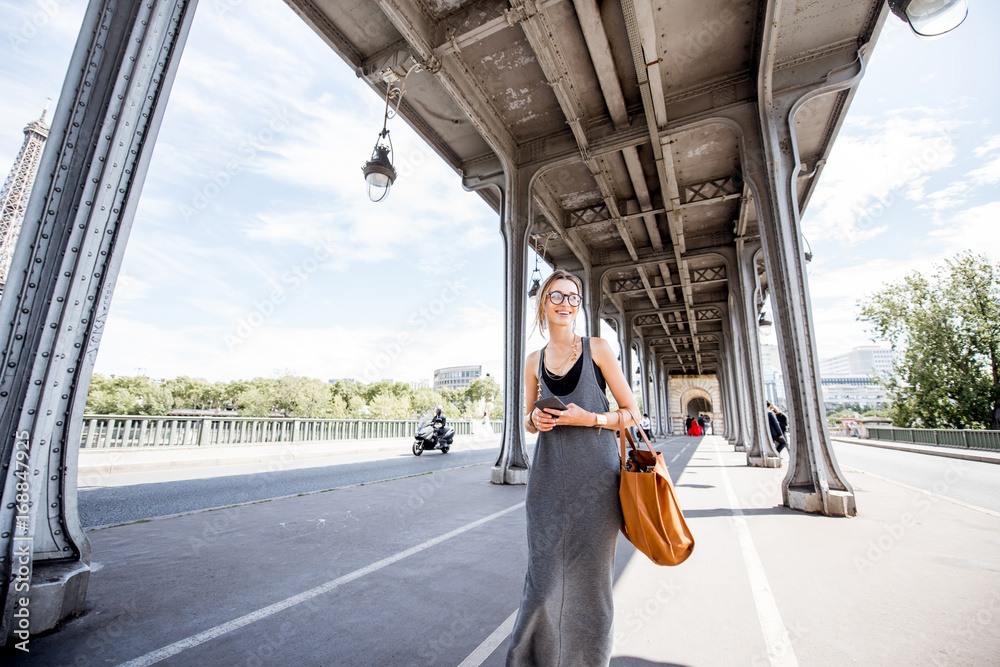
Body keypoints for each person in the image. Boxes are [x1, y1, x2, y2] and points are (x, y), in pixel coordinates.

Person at [507, 269, 640, 667]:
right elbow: (527, 419)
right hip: (547, 482)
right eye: (557, 296)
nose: (566, 304)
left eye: (573, 297)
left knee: (592, 586)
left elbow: (632, 415)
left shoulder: (598, 349)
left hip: (597, 482)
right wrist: (537, 420)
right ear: (542, 303)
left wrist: (593, 420)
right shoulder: (533, 361)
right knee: (543, 583)